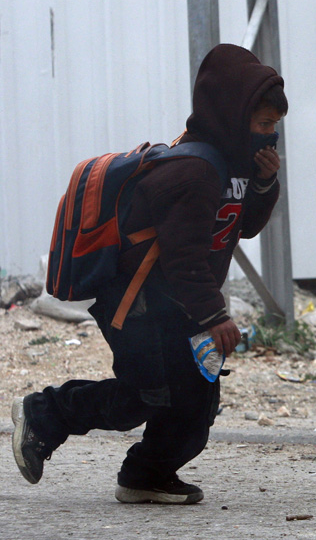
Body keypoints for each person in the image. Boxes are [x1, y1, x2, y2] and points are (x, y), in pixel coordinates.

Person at [10, 44, 287, 505]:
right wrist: (215, 316)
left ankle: (146, 475)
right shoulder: (194, 171)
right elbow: (182, 258)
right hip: (137, 302)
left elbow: (245, 228)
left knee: (196, 404)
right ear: (235, 116)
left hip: (177, 302)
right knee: (147, 395)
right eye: (263, 125)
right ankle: (46, 413)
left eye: (274, 127)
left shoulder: (237, 165)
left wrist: (263, 184)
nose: (270, 136)